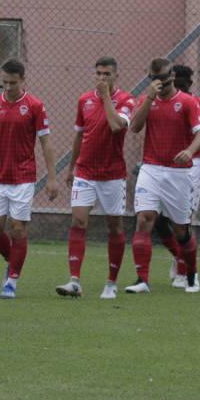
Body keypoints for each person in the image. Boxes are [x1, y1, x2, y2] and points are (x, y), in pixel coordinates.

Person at [125, 58, 200, 295]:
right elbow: (135, 127)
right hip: (151, 169)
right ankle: (142, 279)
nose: (157, 83)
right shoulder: (146, 100)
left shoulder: (187, 102)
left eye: (161, 78)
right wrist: (149, 98)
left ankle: (191, 274)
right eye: (153, 79)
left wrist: (190, 151)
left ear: (171, 76)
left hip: (178, 172)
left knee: (181, 229)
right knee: (144, 219)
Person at [57, 57, 136, 300]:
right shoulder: (84, 100)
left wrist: (105, 99)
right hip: (85, 172)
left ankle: (111, 283)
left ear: (116, 77)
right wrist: (71, 168)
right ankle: (74, 281)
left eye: (107, 74)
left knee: (114, 226)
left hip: (112, 174)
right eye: (98, 74)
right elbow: (80, 136)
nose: (102, 78)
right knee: (78, 221)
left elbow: (115, 126)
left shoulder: (126, 101)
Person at [0, 59, 58, 299]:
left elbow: (45, 142)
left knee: (18, 227)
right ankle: (12, 260)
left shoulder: (35, 106)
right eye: (4, 82)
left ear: (22, 80)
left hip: (23, 176)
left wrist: (52, 178)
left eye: (13, 83)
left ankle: (11, 281)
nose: (8, 87)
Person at [154, 65, 200, 289]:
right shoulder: (161, 102)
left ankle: (186, 273)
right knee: (157, 220)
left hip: (191, 167)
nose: (178, 90)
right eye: (174, 85)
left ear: (189, 85)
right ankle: (179, 256)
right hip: (163, 165)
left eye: (182, 86)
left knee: (183, 221)